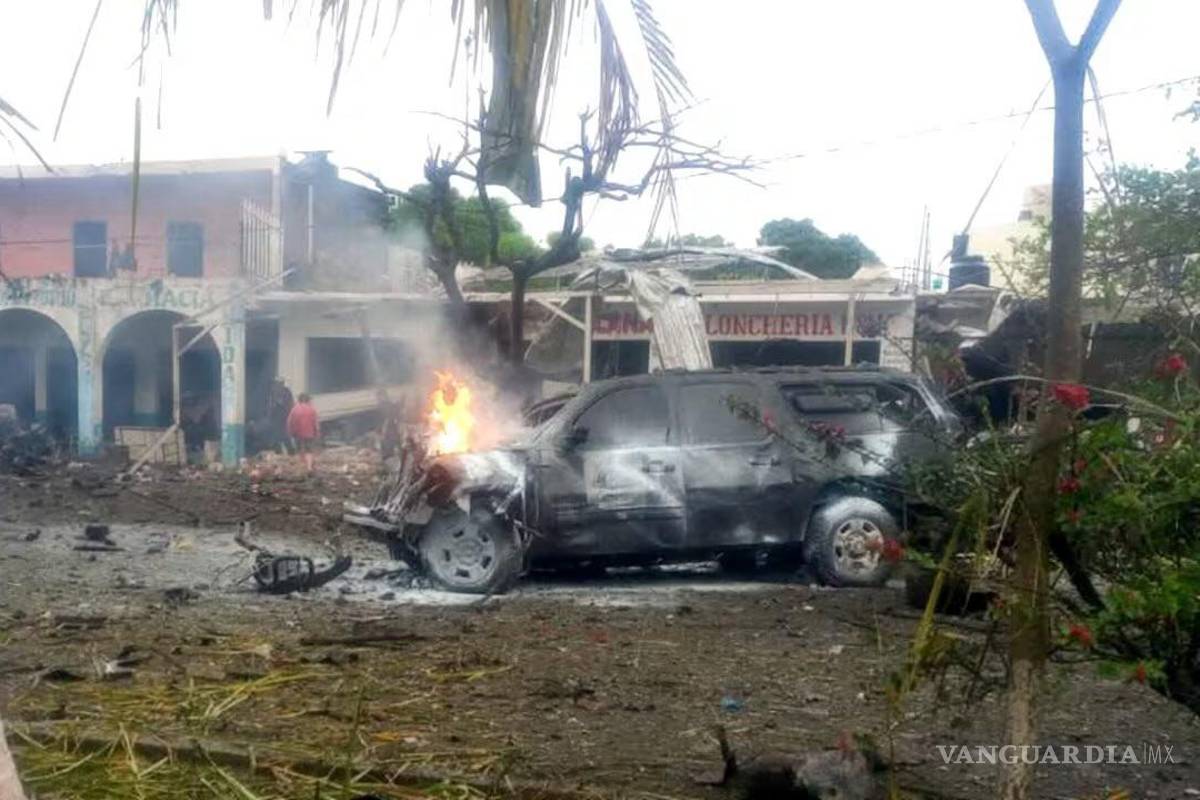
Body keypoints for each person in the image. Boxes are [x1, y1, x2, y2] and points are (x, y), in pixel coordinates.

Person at [286, 393, 320, 475]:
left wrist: (290, 432)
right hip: (309, 433)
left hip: (297, 433)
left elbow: (290, 422)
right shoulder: (312, 409)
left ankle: (301, 467)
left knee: (300, 450)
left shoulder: (294, 409)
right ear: (307, 400)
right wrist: (317, 433)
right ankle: (309, 467)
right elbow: (315, 423)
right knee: (309, 450)